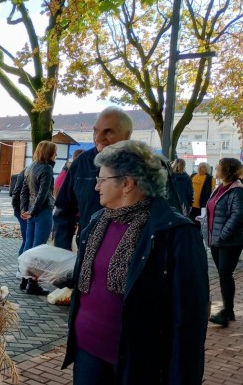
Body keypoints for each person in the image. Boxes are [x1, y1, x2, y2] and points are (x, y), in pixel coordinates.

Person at [63, 140, 209, 385]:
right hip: (86, 353)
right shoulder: (99, 220)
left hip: (136, 363)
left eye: (102, 180)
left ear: (127, 183)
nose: (96, 187)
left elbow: (189, 319)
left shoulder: (175, 233)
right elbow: (95, 277)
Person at [53, 107, 134, 250]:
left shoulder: (143, 165)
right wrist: (62, 248)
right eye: (95, 130)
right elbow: (64, 209)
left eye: (108, 132)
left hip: (130, 256)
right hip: (87, 251)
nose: (98, 138)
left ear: (127, 135)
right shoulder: (82, 162)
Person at [201, 158, 243, 328]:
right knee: (224, 275)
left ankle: (226, 312)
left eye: (218, 167)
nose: (215, 169)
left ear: (226, 170)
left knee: (225, 274)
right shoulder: (220, 188)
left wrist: (223, 234)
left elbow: (238, 215)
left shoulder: (237, 190)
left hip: (228, 241)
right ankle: (229, 310)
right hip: (216, 239)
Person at [20, 140, 57, 250]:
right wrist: (32, 212)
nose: (56, 155)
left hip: (31, 208)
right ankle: (31, 268)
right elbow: (43, 194)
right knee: (38, 248)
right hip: (43, 210)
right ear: (48, 153)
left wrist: (24, 209)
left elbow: (24, 191)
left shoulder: (30, 167)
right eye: (54, 152)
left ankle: (22, 267)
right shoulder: (47, 168)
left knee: (28, 244)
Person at [10, 169, 28, 256]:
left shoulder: (24, 172)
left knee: (26, 240)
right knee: (27, 240)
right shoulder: (28, 172)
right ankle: (22, 263)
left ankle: (21, 262)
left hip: (19, 209)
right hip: (22, 210)